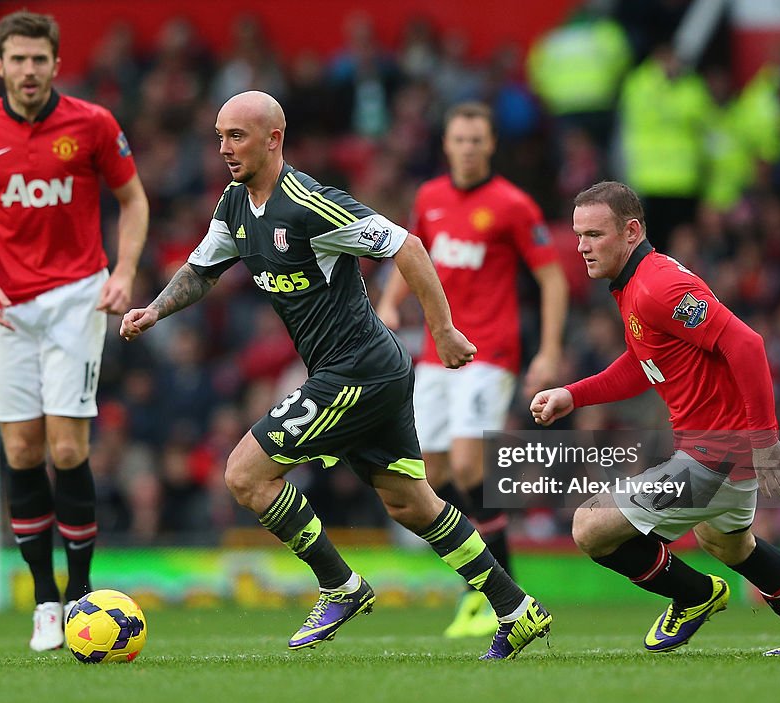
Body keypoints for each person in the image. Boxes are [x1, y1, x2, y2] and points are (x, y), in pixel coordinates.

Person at [120, 91, 550, 659]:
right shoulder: (233, 204)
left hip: (358, 369)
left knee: (245, 475)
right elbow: (202, 271)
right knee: (410, 503)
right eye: (220, 136)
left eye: (237, 136)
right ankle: (516, 608)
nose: (224, 149)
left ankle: (340, 586)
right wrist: (155, 309)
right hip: (362, 370)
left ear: (274, 138)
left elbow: (409, 245)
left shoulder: (310, 205)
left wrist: (442, 330)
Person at [530, 181, 780, 656]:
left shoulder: (659, 286)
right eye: (578, 234)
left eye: (594, 235)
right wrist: (573, 395)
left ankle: (695, 595)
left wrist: (766, 440)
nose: (582, 247)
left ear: (631, 231)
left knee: (589, 527)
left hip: (715, 455)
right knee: (728, 544)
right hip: (719, 453)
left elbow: (747, 345)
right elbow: (643, 362)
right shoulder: (635, 284)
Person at [0, 10, 149, 651]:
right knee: (19, 453)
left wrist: (123, 272)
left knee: (66, 449)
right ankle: (43, 600)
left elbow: (134, 200)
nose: (29, 70)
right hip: (8, 306)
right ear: (0, 64)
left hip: (76, 299)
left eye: (40, 59)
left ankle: (80, 595)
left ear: (56, 64)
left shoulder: (93, 124)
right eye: (19, 59)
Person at [377, 101, 567, 638]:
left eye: (476, 140)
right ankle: (484, 586)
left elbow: (551, 280)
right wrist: (391, 301)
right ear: (446, 144)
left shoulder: (513, 205)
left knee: (467, 466)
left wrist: (548, 352)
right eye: (459, 139)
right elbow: (409, 253)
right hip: (439, 352)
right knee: (429, 477)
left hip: (491, 353)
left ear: (490, 146)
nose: (467, 148)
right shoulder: (429, 198)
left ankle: (498, 593)